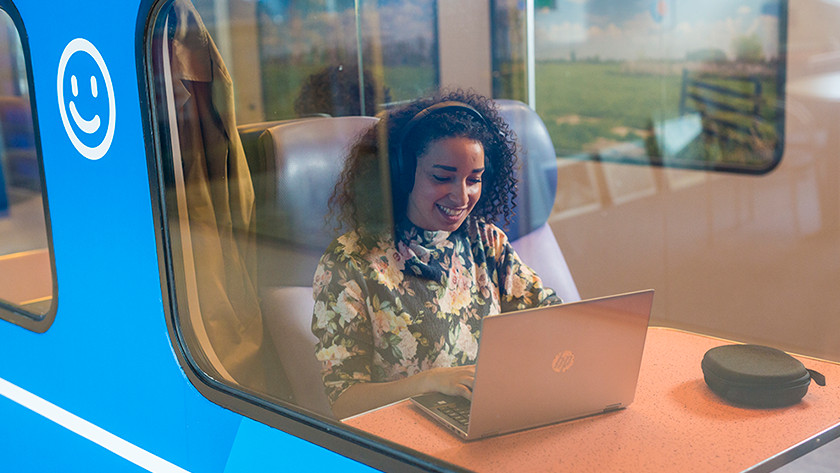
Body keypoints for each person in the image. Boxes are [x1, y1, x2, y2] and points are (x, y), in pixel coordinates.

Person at [311, 90, 561, 419]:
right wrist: (428, 383)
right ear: (402, 174)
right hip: (404, 441)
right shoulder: (351, 262)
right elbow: (342, 400)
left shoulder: (484, 240)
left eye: (475, 179)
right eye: (442, 177)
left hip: (488, 418)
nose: (462, 196)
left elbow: (553, 320)